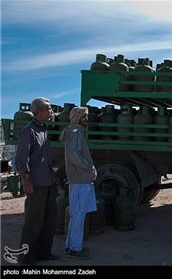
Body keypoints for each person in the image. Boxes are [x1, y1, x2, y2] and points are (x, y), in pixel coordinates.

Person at [15, 97, 59, 265]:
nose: (51, 111)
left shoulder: (43, 129)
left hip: (48, 183)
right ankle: (25, 259)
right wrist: (26, 180)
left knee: (49, 221)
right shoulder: (29, 130)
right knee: (33, 222)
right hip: (36, 185)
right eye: (48, 109)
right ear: (39, 111)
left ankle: (44, 253)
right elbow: (21, 159)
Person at [60, 107, 97, 260]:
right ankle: (75, 249)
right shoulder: (76, 133)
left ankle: (71, 246)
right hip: (81, 180)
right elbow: (74, 155)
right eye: (84, 117)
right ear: (77, 117)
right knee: (79, 215)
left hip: (77, 180)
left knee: (76, 215)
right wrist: (88, 166)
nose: (86, 119)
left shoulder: (73, 132)